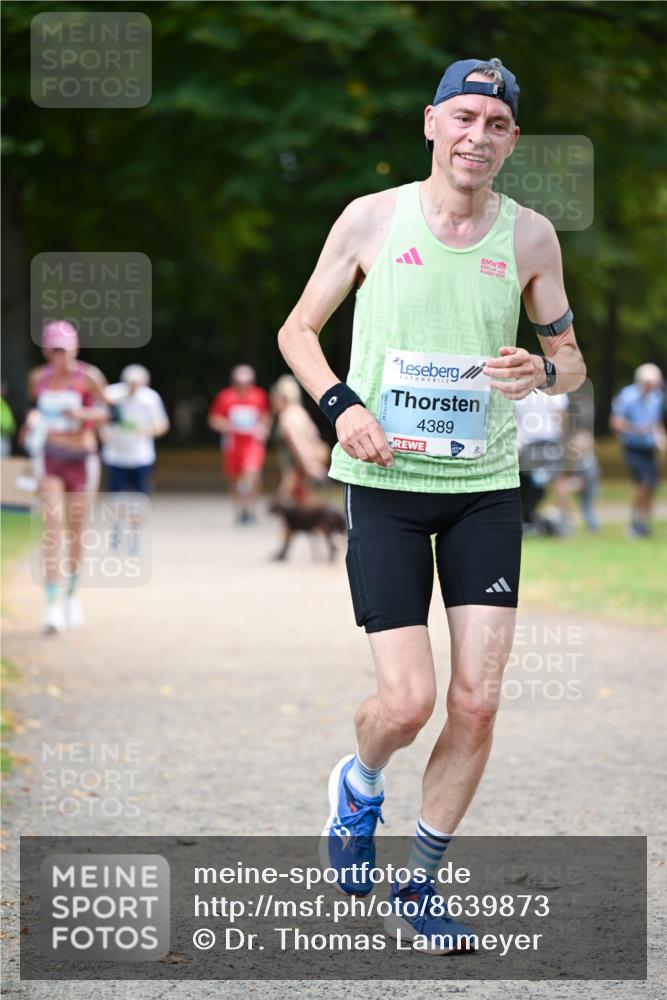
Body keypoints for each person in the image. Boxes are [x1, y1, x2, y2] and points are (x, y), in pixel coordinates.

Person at [278, 57, 586, 953]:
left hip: (483, 487)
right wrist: (344, 408)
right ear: (429, 123)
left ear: (511, 141)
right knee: (406, 703)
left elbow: (568, 362)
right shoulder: (371, 219)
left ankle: (420, 886)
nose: (476, 136)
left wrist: (543, 370)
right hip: (384, 486)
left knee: (478, 701)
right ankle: (360, 781)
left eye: (495, 124)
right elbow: (298, 330)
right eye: (462, 117)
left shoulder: (530, 237)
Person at [26, 321, 108, 633]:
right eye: (55, 350)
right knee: (52, 528)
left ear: (75, 348)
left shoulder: (89, 377)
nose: (61, 357)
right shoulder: (39, 378)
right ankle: (51, 606)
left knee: (76, 530)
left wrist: (81, 416)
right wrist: (33, 420)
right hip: (50, 456)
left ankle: (72, 595)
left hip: (82, 457)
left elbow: (105, 413)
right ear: (48, 351)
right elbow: (36, 410)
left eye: (66, 349)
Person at [101, 364, 170, 552]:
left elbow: (162, 424)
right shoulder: (111, 395)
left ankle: (134, 537)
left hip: (141, 456)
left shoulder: (150, 398)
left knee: (139, 500)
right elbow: (100, 419)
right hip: (116, 455)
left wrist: (147, 431)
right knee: (117, 499)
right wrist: (103, 432)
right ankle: (117, 528)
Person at [208, 365, 271, 523]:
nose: (243, 386)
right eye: (239, 382)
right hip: (233, 445)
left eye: (247, 382)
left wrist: (264, 429)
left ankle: (251, 508)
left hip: (252, 444)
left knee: (252, 474)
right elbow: (214, 419)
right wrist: (228, 426)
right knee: (235, 478)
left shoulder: (259, 395)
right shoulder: (225, 396)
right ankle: (240, 509)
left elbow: (266, 416)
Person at [610, 363, 665, 538]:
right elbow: (616, 423)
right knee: (644, 484)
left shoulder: (656, 397)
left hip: (649, 448)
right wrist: (635, 429)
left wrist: (661, 438)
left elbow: (656, 424)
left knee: (653, 486)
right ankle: (634, 522)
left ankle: (645, 524)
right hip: (633, 447)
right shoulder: (628, 395)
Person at [270, 374, 330, 504]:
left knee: (293, 508)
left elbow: (299, 443)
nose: (272, 400)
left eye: (274, 396)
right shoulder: (299, 412)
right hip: (301, 468)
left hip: (298, 468)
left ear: (282, 397)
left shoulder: (287, 416)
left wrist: (311, 466)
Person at [515, 390, 569, 535]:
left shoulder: (520, 390)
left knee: (524, 482)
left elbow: (516, 418)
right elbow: (560, 418)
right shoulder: (556, 391)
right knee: (558, 480)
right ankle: (565, 521)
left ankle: (524, 518)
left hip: (527, 444)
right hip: (549, 442)